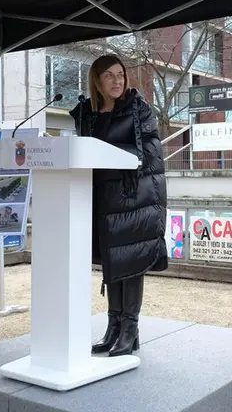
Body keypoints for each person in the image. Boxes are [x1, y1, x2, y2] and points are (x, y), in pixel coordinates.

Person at [69, 54, 168, 357]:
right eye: (109, 76)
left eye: (120, 75)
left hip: (134, 196)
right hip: (100, 197)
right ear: (96, 81)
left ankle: (130, 329)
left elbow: (150, 151)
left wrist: (108, 153)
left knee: (131, 260)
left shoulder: (138, 109)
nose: (117, 81)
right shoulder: (87, 113)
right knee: (113, 261)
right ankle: (114, 327)